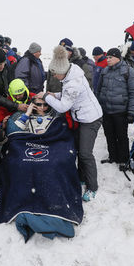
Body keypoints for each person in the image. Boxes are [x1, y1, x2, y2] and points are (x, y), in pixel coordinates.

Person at [38, 45, 103, 202]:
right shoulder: (71, 72)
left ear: (61, 72)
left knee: (85, 153)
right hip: (81, 116)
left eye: (54, 74)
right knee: (79, 150)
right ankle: (81, 177)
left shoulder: (73, 82)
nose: (53, 76)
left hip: (90, 119)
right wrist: (56, 94)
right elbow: (69, 94)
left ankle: (92, 186)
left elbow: (63, 106)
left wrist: (47, 96)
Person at [96, 48, 134, 170]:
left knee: (121, 136)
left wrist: (131, 111)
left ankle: (123, 159)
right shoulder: (105, 71)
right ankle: (112, 156)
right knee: (109, 135)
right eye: (107, 57)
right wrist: (98, 107)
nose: (108, 60)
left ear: (118, 58)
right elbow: (99, 90)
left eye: (110, 57)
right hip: (106, 111)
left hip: (121, 111)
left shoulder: (129, 71)